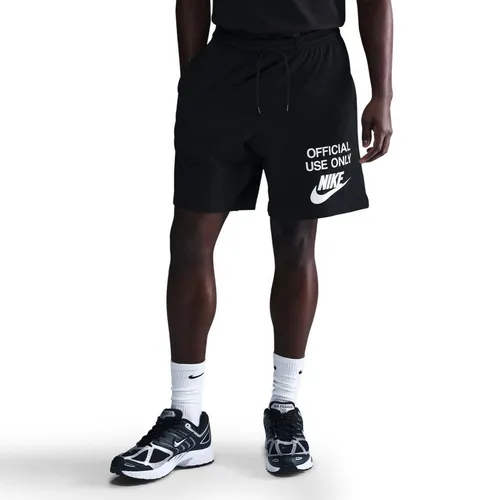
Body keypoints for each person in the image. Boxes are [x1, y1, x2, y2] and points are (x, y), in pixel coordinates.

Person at [110, 0, 393, 479]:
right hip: (226, 65)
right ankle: (186, 418)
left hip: (315, 72)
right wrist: (192, 75)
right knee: (190, 235)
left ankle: (284, 410)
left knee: (295, 240)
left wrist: (382, 94)